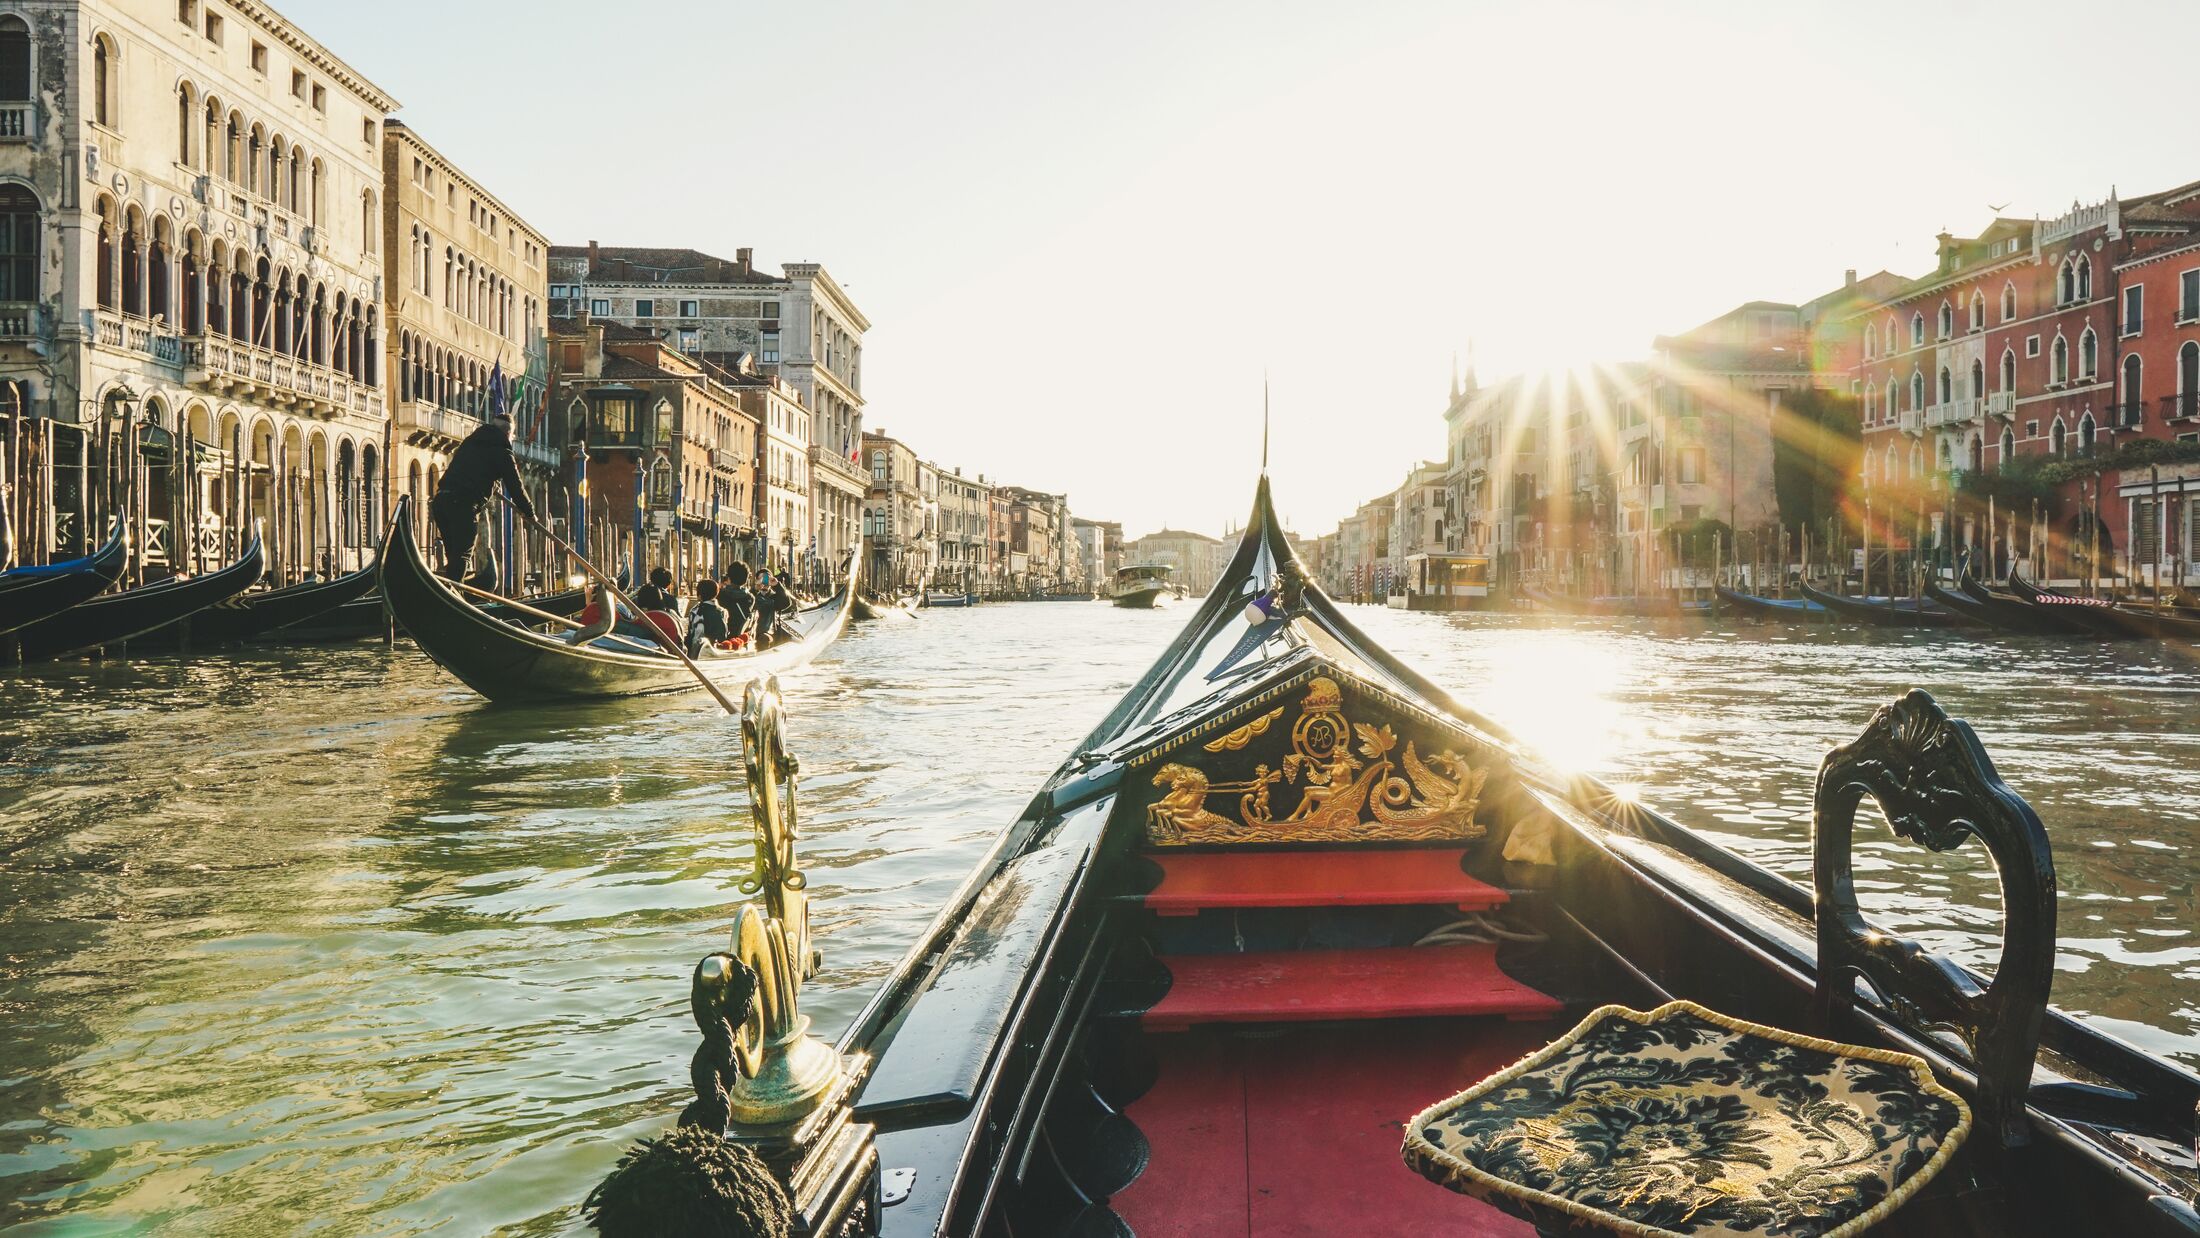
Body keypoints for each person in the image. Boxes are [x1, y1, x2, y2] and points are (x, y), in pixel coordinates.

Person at [431, 410, 534, 585]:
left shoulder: (470, 442)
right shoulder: (502, 451)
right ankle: (453, 595)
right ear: (508, 433)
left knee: (454, 556)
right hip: (463, 505)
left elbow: (471, 470)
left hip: (440, 501)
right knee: (462, 555)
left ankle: (453, 590)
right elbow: (516, 487)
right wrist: (529, 512)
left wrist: (491, 485)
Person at [686, 577, 746, 657]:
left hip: (698, 651)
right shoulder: (723, 611)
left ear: (699, 595)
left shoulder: (695, 611)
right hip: (719, 648)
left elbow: (692, 634)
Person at [719, 562, 756, 637]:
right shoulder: (750, 598)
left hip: (723, 637)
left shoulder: (720, 595)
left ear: (729, 577)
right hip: (741, 637)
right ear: (746, 579)